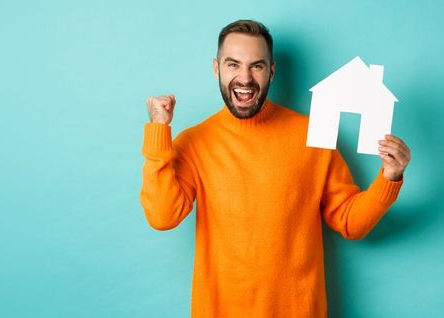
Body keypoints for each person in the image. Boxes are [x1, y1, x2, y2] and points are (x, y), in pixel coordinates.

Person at [140, 19, 411, 317]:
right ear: (217, 68)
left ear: (272, 70)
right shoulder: (194, 142)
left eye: (256, 66)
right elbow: (162, 216)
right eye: (233, 65)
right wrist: (159, 131)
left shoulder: (313, 135)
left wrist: (390, 176)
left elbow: (350, 222)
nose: (245, 78)